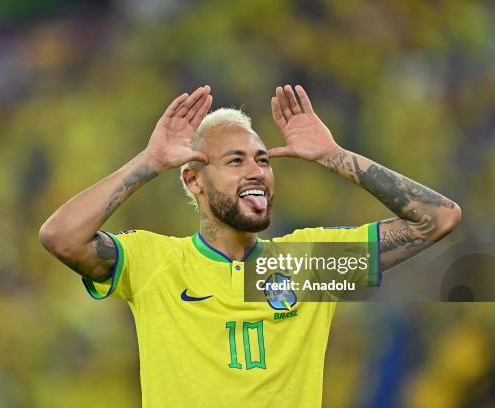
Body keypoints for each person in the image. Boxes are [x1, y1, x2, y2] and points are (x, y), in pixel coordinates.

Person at [39, 84, 461, 407]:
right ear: (193, 180)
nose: (257, 172)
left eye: (263, 160)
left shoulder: (310, 266)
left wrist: (333, 155)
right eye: (235, 161)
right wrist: (148, 163)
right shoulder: (153, 263)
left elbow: (437, 218)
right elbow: (61, 237)